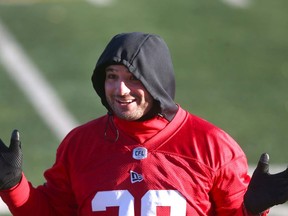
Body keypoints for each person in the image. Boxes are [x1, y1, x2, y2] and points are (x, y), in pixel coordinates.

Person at [0, 32, 288, 216]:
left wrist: (251, 211)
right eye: (112, 76)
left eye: (133, 78)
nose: (120, 90)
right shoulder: (79, 144)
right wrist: (13, 185)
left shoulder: (212, 145)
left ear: (157, 81)